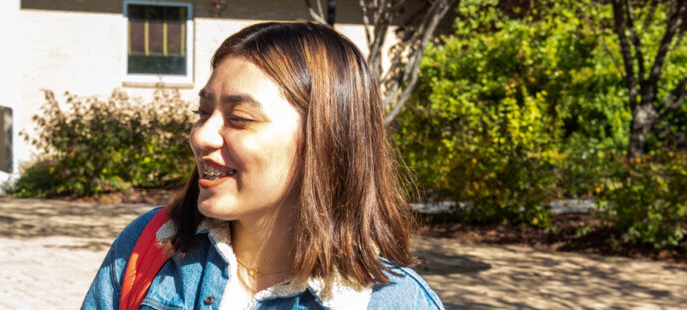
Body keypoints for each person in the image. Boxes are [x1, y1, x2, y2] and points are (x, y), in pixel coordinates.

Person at [81, 21, 443, 309]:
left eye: (239, 118)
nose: (201, 136)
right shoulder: (149, 245)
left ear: (325, 139)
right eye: (202, 113)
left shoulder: (395, 303)